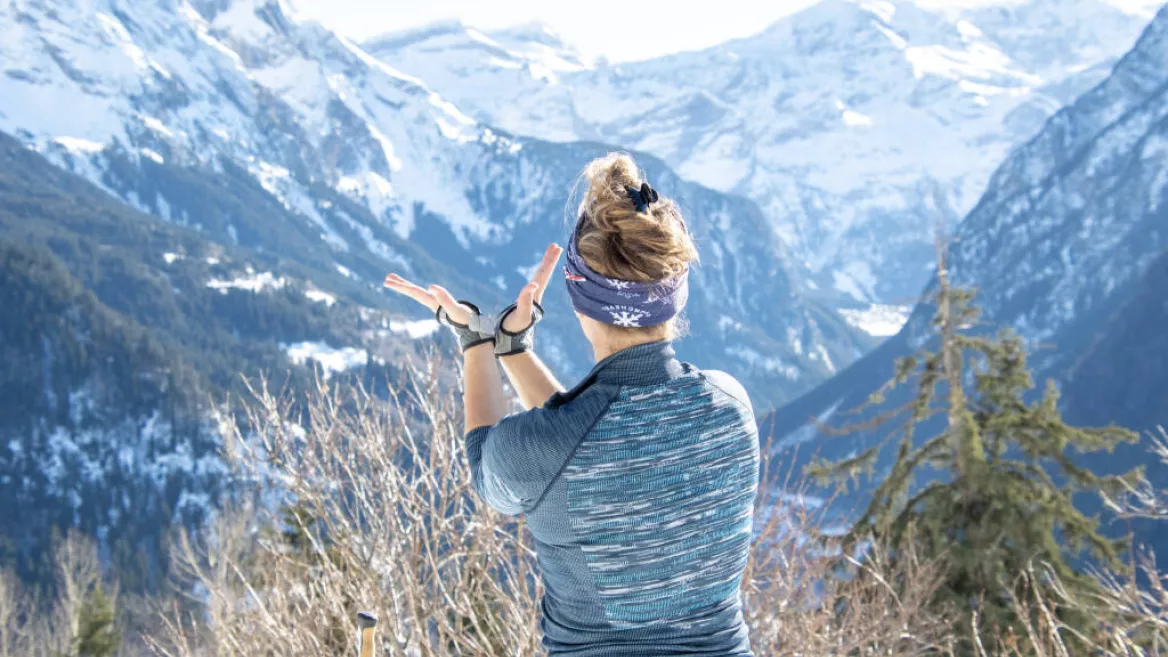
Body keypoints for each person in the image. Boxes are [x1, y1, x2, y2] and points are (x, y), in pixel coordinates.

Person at [383, 153, 760, 656]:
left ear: (579, 301)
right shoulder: (731, 409)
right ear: (676, 295)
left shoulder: (545, 450)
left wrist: (475, 340)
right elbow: (590, 442)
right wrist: (514, 353)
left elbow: (505, 459)